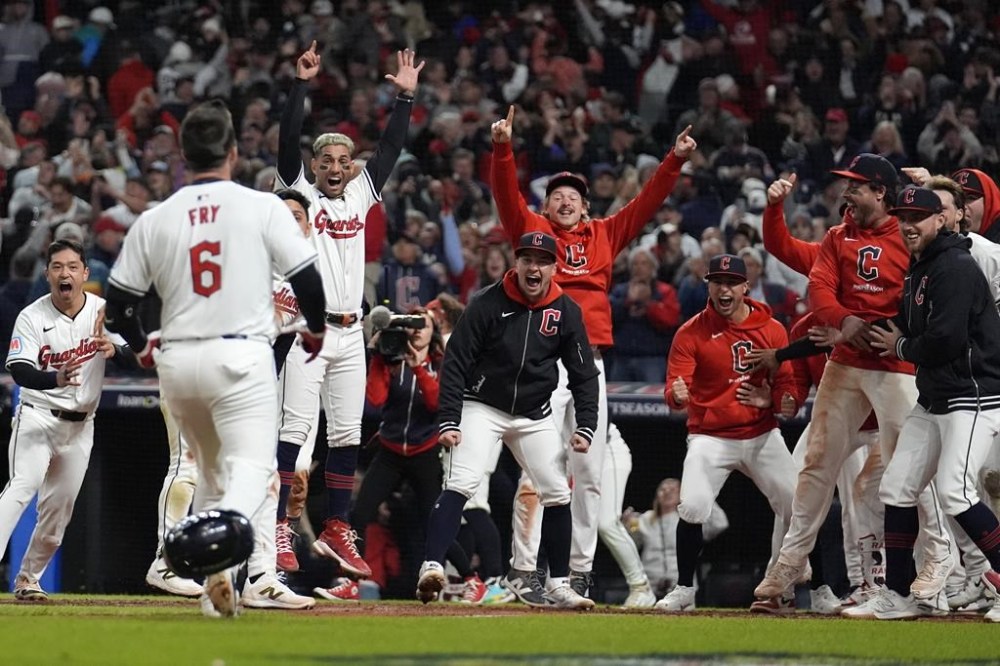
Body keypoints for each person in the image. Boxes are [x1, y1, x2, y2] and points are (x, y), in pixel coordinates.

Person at [104, 100, 327, 618]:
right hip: (241, 357)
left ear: (183, 156)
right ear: (232, 152)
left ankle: (216, 583)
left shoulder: (156, 218)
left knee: (207, 474)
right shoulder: (262, 206)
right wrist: (315, 328)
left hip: (179, 364)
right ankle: (219, 534)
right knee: (258, 472)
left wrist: (139, 345)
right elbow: (309, 282)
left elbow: (118, 306)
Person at [489, 105, 696, 598]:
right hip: (540, 361)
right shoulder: (535, 236)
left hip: (589, 364)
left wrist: (674, 161)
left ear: (586, 208)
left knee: (589, 470)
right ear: (546, 206)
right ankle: (525, 571)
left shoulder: (604, 234)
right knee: (536, 470)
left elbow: (646, 203)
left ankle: (577, 571)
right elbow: (505, 196)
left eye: (574, 197)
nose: (565, 201)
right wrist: (502, 150)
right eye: (556, 195)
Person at [753, 154, 953, 607]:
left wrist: (899, 328)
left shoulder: (908, 231)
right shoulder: (837, 237)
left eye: (855, 186)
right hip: (847, 360)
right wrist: (844, 320)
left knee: (913, 469)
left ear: (880, 192)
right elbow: (819, 289)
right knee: (817, 462)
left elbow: (939, 279)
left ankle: (941, 562)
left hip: (896, 364)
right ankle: (789, 565)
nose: (846, 194)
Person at [272, 42, 423, 580]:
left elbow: (389, 149)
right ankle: (278, 528)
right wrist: (300, 86)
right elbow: (288, 140)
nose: (336, 167)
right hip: (307, 334)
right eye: (326, 161)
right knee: (294, 435)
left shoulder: (360, 195)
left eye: (344, 161)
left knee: (347, 436)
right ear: (313, 167)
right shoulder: (298, 193)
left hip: (351, 332)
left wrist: (403, 98)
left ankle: (338, 526)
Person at [415, 232, 599, 610]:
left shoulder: (566, 310)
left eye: (543, 261)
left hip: (533, 413)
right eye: (527, 259)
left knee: (557, 492)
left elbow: (584, 373)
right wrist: (449, 419)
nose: (534, 267)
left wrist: (585, 425)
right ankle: (432, 566)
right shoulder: (486, 302)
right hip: (482, 404)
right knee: (463, 482)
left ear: (553, 267)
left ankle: (560, 584)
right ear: (516, 263)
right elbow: (456, 363)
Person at [865, 185, 1000, 622]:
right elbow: (903, 322)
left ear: (940, 220)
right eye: (903, 216)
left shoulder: (955, 266)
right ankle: (900, 595)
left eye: (918, 216)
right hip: (937, 397)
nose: (908, 224)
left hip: (974, 394)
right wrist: (853, 329)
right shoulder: (920, 267)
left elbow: (946, 339)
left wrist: (900, 347)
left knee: (955, 492)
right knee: (897, 486)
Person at [659, 253, 800, 612]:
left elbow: (788, 386)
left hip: (760, 432)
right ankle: (684, 590)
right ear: (708, 284)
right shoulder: (691, 332)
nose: (724, 289)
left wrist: (777, 400)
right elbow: (676, 387)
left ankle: (778, 584)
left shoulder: (772, 329)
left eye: (731, 282)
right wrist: (676, 396)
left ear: (745, 286)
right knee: (692, 506)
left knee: (797, 502)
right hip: (711, 435)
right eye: (717, 282)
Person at [1, 239, 125, 601]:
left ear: (85, 273)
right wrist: (53, 378)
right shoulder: (32, 316)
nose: (65, 273)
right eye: (57, 266)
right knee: (21, 487)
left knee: (58, 514)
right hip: (38, 417)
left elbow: (136, 353)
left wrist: (114, 348)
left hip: (81, 425)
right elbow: (20, 370)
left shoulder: (102, 311)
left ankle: (27, 581)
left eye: (72, 266)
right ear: (47, 274)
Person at [624, 477, 728, 599]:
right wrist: (626, 526)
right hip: (650, 585)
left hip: (681, 584)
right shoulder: (645, 519)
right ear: (657, 495)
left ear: (681, 494)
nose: (667, 492)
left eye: (673, 489)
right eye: (663, 489)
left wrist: (704, 498)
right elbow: (632, 545)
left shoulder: (689, 519)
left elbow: (720, 524)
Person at [597, 423, 660, 608]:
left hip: (606, 450)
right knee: (573, 521)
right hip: (572, 455)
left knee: (607, 523)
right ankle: (563, 583)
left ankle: (641, 587)